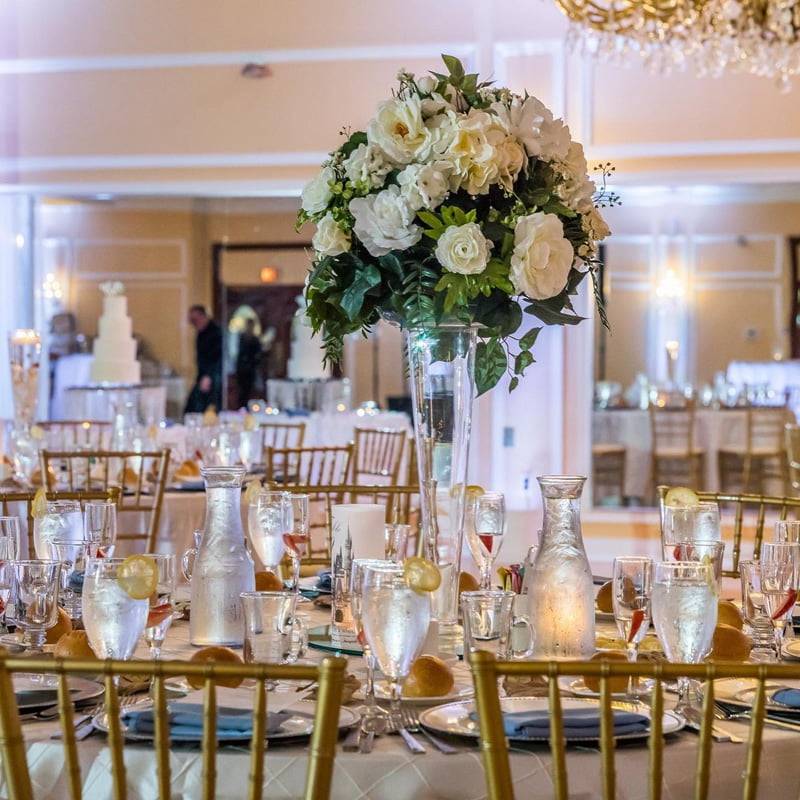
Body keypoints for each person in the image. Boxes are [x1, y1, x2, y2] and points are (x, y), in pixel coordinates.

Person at [184, 305, 222, 413]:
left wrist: (208, 376)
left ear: (202, 316)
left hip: (213, 377)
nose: (193, 324)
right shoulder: (201, 333)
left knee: (205, 408)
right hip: (203, 375)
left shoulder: (215, 333)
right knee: (193, 408)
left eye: (194, 320)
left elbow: (217, 358)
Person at [235, 318, 262, 409]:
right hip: (244, 369)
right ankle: (243, 407)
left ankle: (244, 407)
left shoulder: (253, 339)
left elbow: (257, 355)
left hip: (247, 369)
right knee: (244, 391)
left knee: (246, 390)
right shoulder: (244, 338)